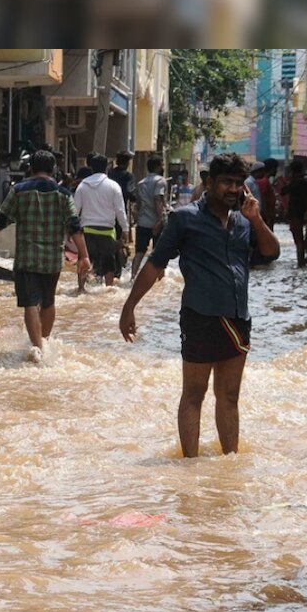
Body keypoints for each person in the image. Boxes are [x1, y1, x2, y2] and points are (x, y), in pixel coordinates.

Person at [119, 152, 280, 458]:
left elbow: (271, 253)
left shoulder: (245, 221)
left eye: (238, 183)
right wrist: (130, 307)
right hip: (200, 317)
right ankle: (190, 467)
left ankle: (228, 463)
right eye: (226, 183)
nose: (233, 189)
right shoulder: (185, 218)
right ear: (209, 183)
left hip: (238, 318)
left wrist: (256, 219)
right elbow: (155, 265)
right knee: (195, 394)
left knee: (230, 395)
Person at [0, 150, 90, 364]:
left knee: (29, 303)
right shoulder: (63, 194)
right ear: (53, 169)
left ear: (31, 168)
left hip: (26, 257)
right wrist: (84, 255)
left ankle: (36, 347)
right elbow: (74, 226)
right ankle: (43, 343)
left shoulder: (18, 191)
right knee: (48, 301)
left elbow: (1, 219)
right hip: (52, 258)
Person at [73, 153, 129, 290]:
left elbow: (74, 211)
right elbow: (120, 210)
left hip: (86, 231)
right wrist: (126, 229)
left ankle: (80, 289)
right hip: (107, 232)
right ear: (107, 167)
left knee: (84, 261)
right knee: (109, 264)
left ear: (91, 167)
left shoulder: (82, 186)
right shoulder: (113, 186)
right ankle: (108, 290)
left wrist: (71, 232)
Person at [132, 157, 168, 278]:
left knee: (139, 252)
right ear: (158, 167)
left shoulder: (141, 183)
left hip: (142, 223)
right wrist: (160, 220)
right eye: (162, 165)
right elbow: (158, 200)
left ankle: (132, 277)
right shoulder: (161, 181)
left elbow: (137, 205)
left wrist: (137, 219)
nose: (163, 167)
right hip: (157, 222)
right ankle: (160, 280)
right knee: (160, 253)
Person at [281, 160, 307, 266]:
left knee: (298, 238)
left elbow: (283, 191)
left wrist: (282, 182)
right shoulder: (304, 181)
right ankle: (302, 261)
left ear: (292, 171)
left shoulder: (296, 182)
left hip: (296, 212)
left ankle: (301, 262)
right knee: (299, 237)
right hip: (301, 211)